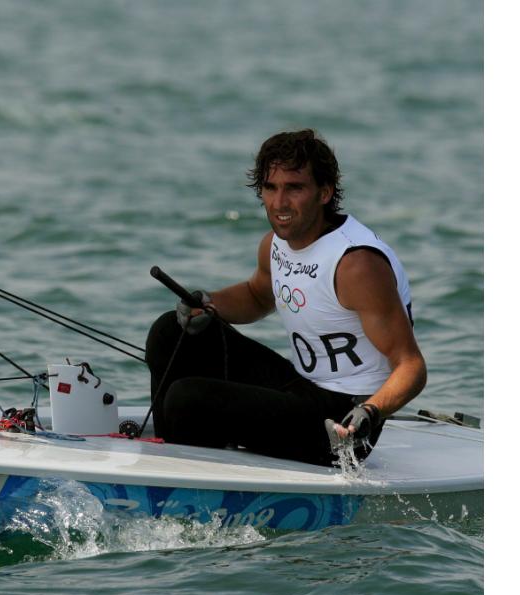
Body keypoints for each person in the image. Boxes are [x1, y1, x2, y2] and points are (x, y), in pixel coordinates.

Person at [145, 129, 426, 466]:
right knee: (169, 331)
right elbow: (256, 296)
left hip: (342, 423)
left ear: (324, 193)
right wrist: (206, 301)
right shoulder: (275, 245)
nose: (279, 203)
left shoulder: (356, 265)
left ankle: (188, 477)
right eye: (270, 188)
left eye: (294, 188)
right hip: (301, 388)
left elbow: (412, 366)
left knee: (187, 398)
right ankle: (171, 454)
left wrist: (370, 410)